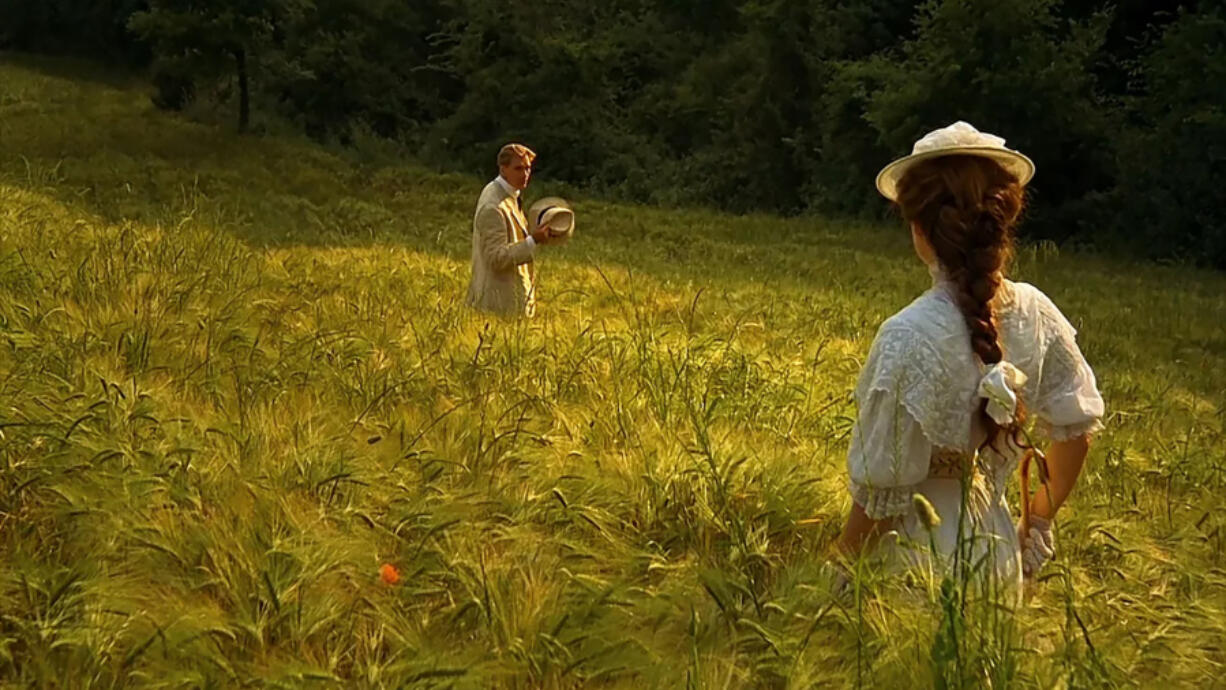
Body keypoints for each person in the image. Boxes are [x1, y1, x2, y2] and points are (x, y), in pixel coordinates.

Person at [832, 121, 1105, 592]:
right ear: (1003, 224)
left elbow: (881, 499)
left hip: (914, 564)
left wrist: (834, 576)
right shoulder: (1036, 311)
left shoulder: (906, 336)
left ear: (920, 229)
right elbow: (1077, 430)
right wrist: (1036, 521)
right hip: (996, 556)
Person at [466, 143, 553, 318]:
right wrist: (532, 241)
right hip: (498, 307)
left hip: (506, 305)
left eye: (528, 168)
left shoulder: (508, 194)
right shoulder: (493, 205)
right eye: (518, 168)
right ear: (503, 169)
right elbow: (496, 258)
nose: (525, 174)